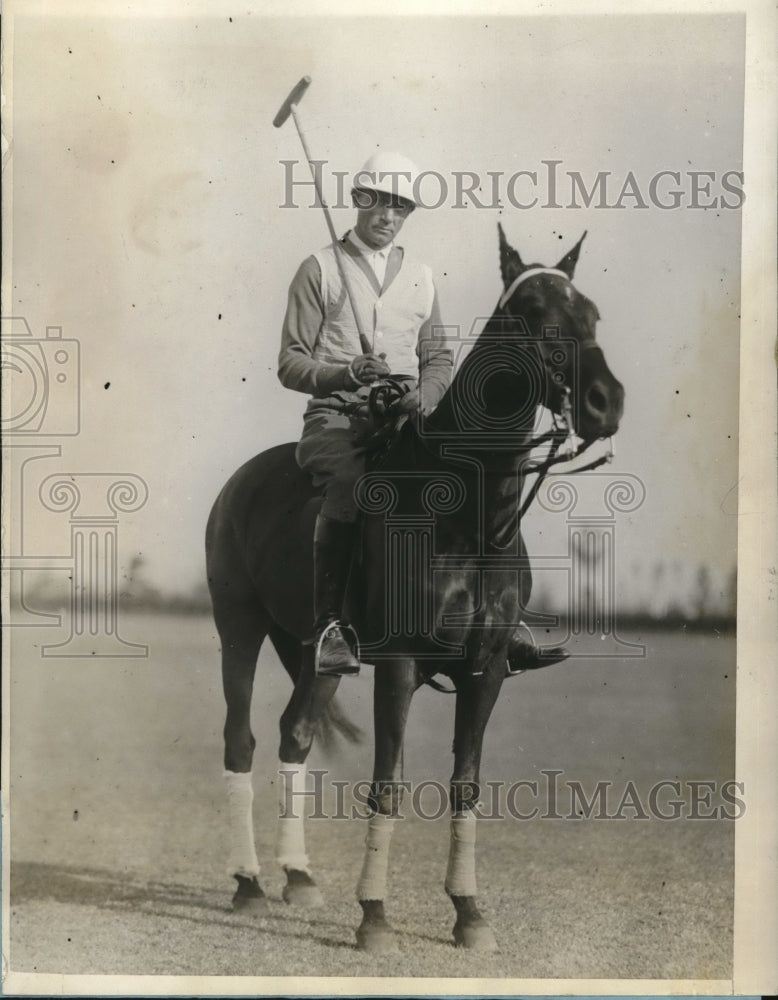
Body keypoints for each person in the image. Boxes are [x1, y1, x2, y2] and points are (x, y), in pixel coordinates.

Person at [278, 151, 453, 676]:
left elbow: (438, 358)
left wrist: (423, 395)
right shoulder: (319, 269)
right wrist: (345, 372)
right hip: (338, 418)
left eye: (400, 208)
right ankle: (331, 625)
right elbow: (289, 362)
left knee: (474, 472)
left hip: (404, 417)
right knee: (353, 482)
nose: (387, 218)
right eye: (378, 203)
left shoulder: (422, 276)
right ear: (359, 200)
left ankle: (496, 618)